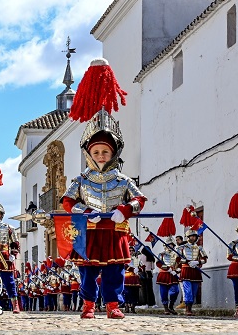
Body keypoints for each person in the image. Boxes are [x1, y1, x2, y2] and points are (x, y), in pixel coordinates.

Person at [61, 59, 146, 320]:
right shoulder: (82, 179)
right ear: (89, 153)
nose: (100, 155)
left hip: (115, 231)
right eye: (96, 151)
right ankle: (88, 305)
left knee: (114, 272)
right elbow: (67, 201)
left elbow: (140, 199)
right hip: (90, 231)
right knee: (87, 272)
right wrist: (85, 210)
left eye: (104, 151)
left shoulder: (122, 179)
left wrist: (125, 209)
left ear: (113, 153)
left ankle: (113, 305)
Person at [179, 227, 207, 316]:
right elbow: (177, 259)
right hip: (186, 269)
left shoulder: (199, 248)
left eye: (194, 236)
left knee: (194, 290)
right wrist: (186, 261)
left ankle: (190, 307)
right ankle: (187, 308)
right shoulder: (181, 248)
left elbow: (204, 259)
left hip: (195, 270)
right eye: (191, 236)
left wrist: (197, 262)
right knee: (188, 290)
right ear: (187, 237)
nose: (193, 238)